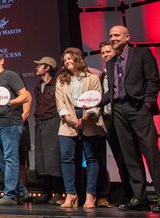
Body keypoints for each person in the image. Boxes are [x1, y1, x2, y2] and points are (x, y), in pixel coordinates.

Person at [102, 25, 160, 213]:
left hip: (138, 108)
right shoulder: (111, 63)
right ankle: (139, 197)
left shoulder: (141, 54)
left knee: (150, 151)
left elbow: (153, 79)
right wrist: (92, 101)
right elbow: (113, 90)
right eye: (110, 36)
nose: (113, 38)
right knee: (129, 155)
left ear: (127, 37)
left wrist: (148, 103)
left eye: (117, 35)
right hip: (119, 110)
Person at [55, 50, 105, 208]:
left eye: (69, 58)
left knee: (91, 158)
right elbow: (60, 103)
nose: (67, 61)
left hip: (88, 118)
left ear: (78, 59)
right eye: (65, 59)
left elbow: (97, 100)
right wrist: (69, 119)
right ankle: (71, 194)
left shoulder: (92, 78)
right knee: (67, 158)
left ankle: (90, 196)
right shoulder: (61, 80)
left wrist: (86, 118)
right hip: (68, 120)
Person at [0, 50, 31, 206]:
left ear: (2, 60)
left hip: (11, 123)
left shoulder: (10, 75)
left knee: (11, 158)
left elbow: (25, 96)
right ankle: (22, 192)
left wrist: (10, 103)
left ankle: (10, 195)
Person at [94, 41, 133, 207]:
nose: (105, 55)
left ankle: (135, 192)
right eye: (102, 53)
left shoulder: (120, 68)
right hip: (109, 118)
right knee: (118, 156)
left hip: (122, 116)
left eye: (107, 51)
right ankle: (127, 192)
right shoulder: (104, 72)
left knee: (129, 156)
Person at [30, 57, 64, 205]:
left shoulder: (56, 84)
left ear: (47, 68)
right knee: (42, 158)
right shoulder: (38, 86)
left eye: (39, 66)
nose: (36, 68)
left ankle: (57, 192)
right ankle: (46, 191)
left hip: (53, 121)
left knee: (53, 158)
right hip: (40, 123)